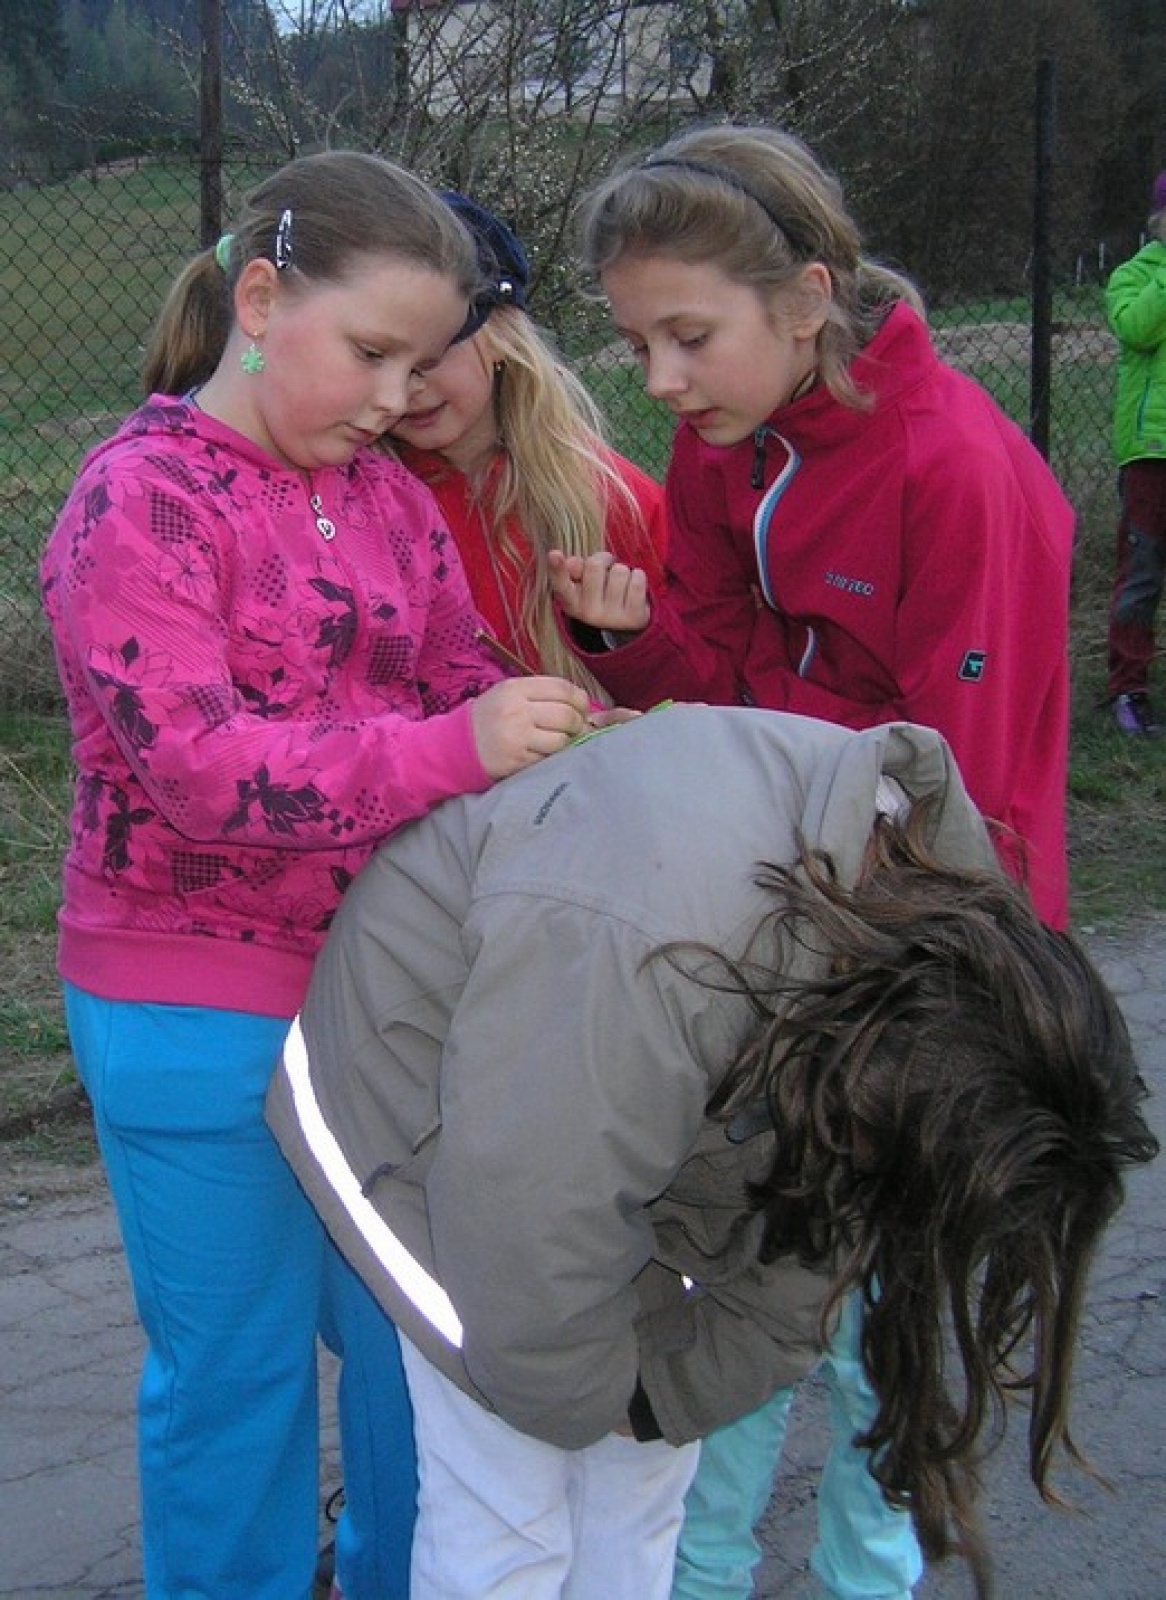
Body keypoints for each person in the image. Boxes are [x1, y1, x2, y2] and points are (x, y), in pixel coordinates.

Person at [38, 149, 605, 1600]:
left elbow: (458, 672)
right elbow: (199, 767)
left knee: (420, 1363)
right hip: (191, 1012)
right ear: (258, 301)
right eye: (368, 354)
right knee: (237, 1387)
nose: (395, 397)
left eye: (419, 365)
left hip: (381, 995)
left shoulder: (388, 497)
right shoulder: (138, 501)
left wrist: (568, 730)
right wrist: (455, 748)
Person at [266, 704, 1158, 1600]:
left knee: (638, 1485)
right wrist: (585, 1397)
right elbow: (524, 1234)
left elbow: (825, 1238)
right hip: (426, 1072)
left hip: (612, 1089)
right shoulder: (654, 955)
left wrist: (662, 1396)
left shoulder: (946, 993)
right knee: (510, 1506)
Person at [544, 124, 1078, 1598]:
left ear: (806, 301)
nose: (661, 381)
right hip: (778, 922)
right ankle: (698, 1579)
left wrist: (764, 748)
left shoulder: (953, 470)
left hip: (930, 952)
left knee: (884, 1327)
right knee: (738, 1283)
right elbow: (721, 682)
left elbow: (950, 789)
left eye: (687, 337)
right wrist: (624, 644)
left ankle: (868, 1578)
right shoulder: (727, 435)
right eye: (636, 343)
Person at [385, 191, 668, 700]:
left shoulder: (609, 496)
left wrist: (628, 642)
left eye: (431, 355)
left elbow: (692, 667)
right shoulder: (362, 502)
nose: (408, 387)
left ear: (500, 336)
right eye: (377, 357)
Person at [1104, 168, 1166, 736]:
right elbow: (1137, 329)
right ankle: (1128, 687)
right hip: (1151, 450)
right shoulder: (1135, 277)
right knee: (1142, 570)